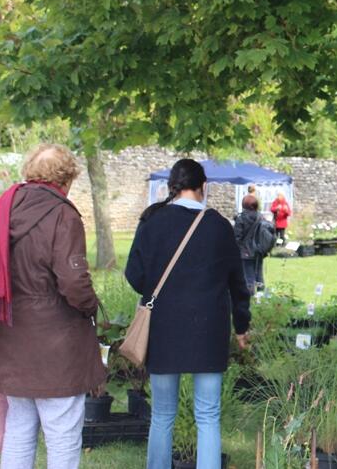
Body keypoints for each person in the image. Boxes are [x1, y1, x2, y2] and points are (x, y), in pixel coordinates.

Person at [125, 159, 251, 469]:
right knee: (208, 415)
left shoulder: (152, 221)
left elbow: (134, 274)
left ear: (172, 186)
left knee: (162, 414)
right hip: (209, 329)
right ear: (203, 186)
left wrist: (158, 292)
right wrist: (241, 326)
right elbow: (238, 283)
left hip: (163, 327)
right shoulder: (219, 226)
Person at [0, 143, 106, 469]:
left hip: (13, 335)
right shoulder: (62, 214)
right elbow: (73, 282)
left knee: (19, 428)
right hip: (57, 343)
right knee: (62, 432)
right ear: (66, 178)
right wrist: (90, 307)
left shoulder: (6, 207)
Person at [233, 194, 265, 293]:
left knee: (248, 275)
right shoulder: (261, 217)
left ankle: (250, 295)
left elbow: (237, 237)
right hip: (259, 250)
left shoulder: (241, 218)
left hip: (245, 251)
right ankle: (261, 294)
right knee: (259, 273)